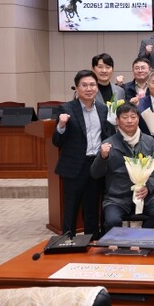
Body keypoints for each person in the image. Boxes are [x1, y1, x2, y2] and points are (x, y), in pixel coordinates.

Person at [52, 70, 115, 238]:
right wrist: (61, 125)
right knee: (71, 209)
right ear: (77, 88)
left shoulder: (103, 109)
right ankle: (68, 242)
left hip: (96, 165)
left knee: (92, 208)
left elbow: (107, 135)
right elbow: (57, 141)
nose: (89, 89)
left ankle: (92, 241)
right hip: (74, 167)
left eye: (92, 85)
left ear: (97, 88)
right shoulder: (66, 109)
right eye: (84, 85)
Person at [91, 103, 154, 233]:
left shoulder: (149, 141)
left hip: (145, 195)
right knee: (112, 221)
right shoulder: (108, 144)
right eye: (125, 117)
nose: (129, 121)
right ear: (117, 121)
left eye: (133, 117)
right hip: (117, 198)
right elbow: (95, 174)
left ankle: (141, 239)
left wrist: (148, 188)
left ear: (138, 119)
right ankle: (122, 244)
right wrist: (102, 157)